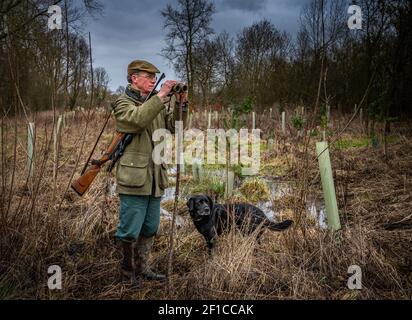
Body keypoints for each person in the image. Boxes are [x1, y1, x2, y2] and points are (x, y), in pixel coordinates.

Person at [113, 59, 188, 287]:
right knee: (129, 230)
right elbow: (136, 121)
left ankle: (144, 268)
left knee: (150, 227)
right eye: (149, 76)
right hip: (134, 178)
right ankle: (127, 273)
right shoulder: (123, 102)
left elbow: (176, 128)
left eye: (155, 77)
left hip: (155, 177)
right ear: (134, 78)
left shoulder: (156, 104)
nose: (154, 80)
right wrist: (160, 96)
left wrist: (180, 104)